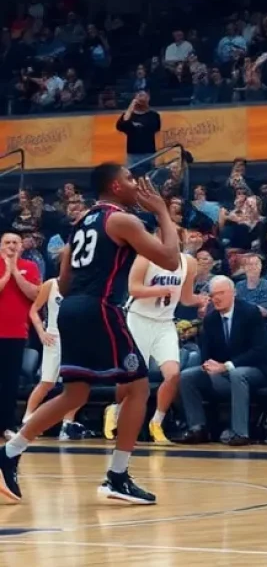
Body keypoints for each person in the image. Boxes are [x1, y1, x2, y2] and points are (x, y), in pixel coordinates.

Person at [0, 164, 180, 505]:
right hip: (100, 308)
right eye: (129, 179)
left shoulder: (81, 223)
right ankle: (117, 476)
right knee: (140, 387)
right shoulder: (122, 220)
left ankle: (8, 453)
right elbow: (171, 259)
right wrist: (161, 212)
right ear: (115, 185)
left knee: (74, 394)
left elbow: (64, 283)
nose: (135, 184)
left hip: (70, 309)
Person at [109, 239, 199, 444]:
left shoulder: (188, 263)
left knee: (173, 374)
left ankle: (156, 422)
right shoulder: (145, 258)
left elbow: (185, 298)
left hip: (165, 322)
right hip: (138, 319)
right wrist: (159, 291)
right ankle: (115, 411)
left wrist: (200, 300)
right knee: (130, 375)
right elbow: (133, 289)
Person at [176, 276, 267, 445]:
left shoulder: (250, 312)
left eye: (221, 293)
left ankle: (240, 433)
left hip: (256, 370)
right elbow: (206, 353)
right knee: (187, 376)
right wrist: (209, 365)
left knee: (237, 374)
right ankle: (198, 428)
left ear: (233, 293)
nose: (217, 298)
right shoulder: (210, 319)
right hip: (222, 373)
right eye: (213, 295)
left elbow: (259, 351)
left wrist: (226, 366)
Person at [23, 277, 84, 441]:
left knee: (79, 385)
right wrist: (41, 332)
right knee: (47, 382)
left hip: (76, 338)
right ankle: (27, 419)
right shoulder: (51, 284)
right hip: (54, 336)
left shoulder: (83, 284)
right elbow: (33, 310)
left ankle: (67, 424)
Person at [0, 231, 40, 439]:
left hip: (16, 333)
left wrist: (15, 271)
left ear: (22, 246)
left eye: (16, 242)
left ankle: (6, 425)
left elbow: (35, 294)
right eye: (7, 242)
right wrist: (6, 272)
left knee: (10, 382)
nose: (12, 246)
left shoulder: (30, 267)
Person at [116, 91, 161, 169]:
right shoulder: (129, 115)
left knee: (148, 176)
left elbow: (155, 128)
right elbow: (121, 126)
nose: (142, 98)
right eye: (139, 96)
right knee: (132, 176)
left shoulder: (154, 115)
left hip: (148, 152)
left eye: (144, 96)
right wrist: (131, 107)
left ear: (148, 99)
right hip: (133, 153)